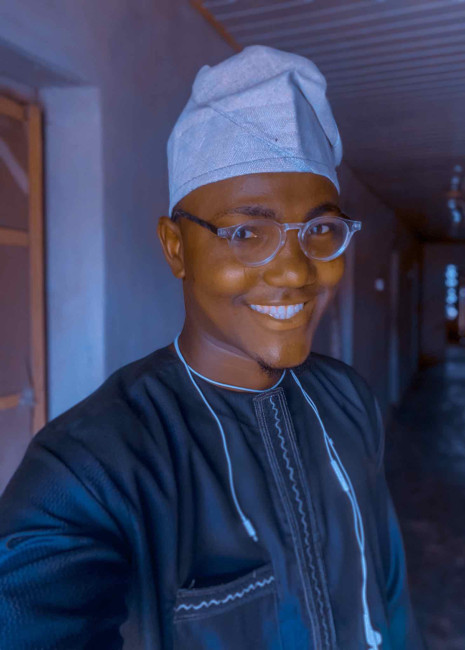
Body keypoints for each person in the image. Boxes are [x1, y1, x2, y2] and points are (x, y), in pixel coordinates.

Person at [0, 45, 424, 649]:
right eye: (247, 232)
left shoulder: (347, 398)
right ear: (176, 248)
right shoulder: (91, 469)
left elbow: (390, 594)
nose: (295, 271)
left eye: (320, 230)